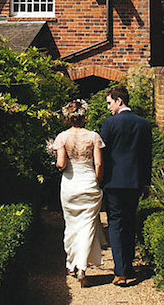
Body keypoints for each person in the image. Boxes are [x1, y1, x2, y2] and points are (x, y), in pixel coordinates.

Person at [100, 85, 152, 286]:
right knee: (130, 222)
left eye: (110, 103)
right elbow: (147, 156)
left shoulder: (110, 123)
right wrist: (146, 183)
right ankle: (128, 266)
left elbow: (103, 154)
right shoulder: (143, 124)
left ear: (119, 101)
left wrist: (100, 179)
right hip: (134, 182)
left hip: (113, 182)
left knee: (115, 223)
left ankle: (120, 271)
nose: (109, 107)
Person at [53, 99, 105, 288]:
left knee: (72, 224)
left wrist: (56, 161)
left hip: (70, 185)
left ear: (68, 117)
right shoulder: (93, 136)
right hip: (89, 183)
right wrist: (97, 182)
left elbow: (61, 164)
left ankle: (72, 263)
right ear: (84, 117)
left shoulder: (62, 137)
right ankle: (82, 267)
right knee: (88, 226)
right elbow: (99, 164)